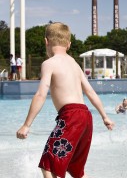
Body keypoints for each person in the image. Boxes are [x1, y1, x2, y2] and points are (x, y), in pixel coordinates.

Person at [16, 22, 114, 178]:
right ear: (68, 44)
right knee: (76, 170)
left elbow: (41, 94)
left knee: (49, 164)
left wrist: (26, 125)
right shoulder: (74, 64)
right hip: (86, 117)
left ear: (46, 41)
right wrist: (105, 116)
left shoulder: (49, 64)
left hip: (71, 117)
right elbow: (90, 91)